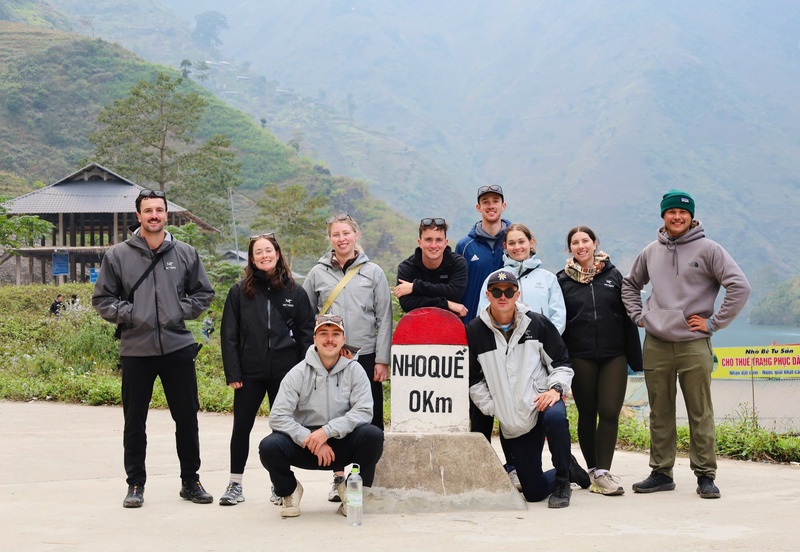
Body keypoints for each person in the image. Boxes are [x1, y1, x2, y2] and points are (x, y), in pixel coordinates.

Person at [622, 190, 750, 499]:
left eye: (683, 212)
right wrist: (639, 316)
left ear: (691, 216)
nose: (677, 216)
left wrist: (713, 322)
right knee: (659, 411)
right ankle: (661, 472)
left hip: (694, 343)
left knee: (699, 411)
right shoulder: (651, 251)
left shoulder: (709, 249)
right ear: (663, 216)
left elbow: (739, 286)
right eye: (671, 212)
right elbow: (630, 284)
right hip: (656, 342)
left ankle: (705, 475)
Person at [92, 189, 215, 509]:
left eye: (159, 210)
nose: (154, 215)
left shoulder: (186, 253)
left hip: (177, 346)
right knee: (135, 420)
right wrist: (133, 314)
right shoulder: (118, 255)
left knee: (187, 417)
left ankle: (191, 480)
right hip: (136, 348)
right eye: (148, 210)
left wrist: (178, 311)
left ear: (166, 214)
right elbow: (102, 300)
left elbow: (204, 293)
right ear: (139, 216)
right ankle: (135, 484)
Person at [467, 269, 586, 508]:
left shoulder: (537, 323)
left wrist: (555, 390)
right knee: (532, 492)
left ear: (517, 294)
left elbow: (562, 363)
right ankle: (569, 467)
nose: (503, 296)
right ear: (488, 295)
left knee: (555, 416)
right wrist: (494, 407)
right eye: (497, 292)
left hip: (541, 400)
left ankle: (563, 481)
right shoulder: (475, 331)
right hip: (514, 418)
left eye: (509, 291)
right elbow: (473, 380)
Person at [218, 233, 315, 506]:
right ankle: (235, 484)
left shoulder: (295, 291)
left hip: (286, 374)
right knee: (241, 428)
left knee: (282, 430)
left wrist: (303, 372)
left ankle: (280, 485)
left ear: (277, 253)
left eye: (268, 250)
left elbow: (307, 335)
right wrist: (233, 373)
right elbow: (229, 335)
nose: (264, 255)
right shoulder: (239, 292)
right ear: (252, 258)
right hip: (249, 372)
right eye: (258, 252)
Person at [302, 212, 392, 502]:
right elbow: (305, 316)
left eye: (346, 233)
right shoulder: (317, 273)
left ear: (357, 236)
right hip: (329, 357)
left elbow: (384, 318)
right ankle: (338, 478)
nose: (341, 239)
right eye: (336, 234)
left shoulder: (373, 272)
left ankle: (363, 480)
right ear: (329, 239)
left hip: (364, 356)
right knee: (334, 414)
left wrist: (382, 359)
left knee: (369, 419)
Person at [258, 313, 385, 518]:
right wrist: (311, 439)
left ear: (343, 339)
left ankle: (351, 491)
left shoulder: (356, 371)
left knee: (373, 435)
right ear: (314, 338)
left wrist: (326, 432)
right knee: (270, 446)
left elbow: (363, 411)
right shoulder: (298, 373)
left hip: (341, 442)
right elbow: (278, 416)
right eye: (323, 333)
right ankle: (289, 491)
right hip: (305, 445)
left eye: (336, 334)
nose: (329, 339)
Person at [557, 225, 643, 496]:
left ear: (595, 244)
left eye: (585, 241)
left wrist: (635, 357)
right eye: (575, 242)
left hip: (614, 354)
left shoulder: (614, 275)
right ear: (569, 248)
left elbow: (628, 317)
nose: (581, 246)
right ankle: (594, 470)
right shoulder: (561, 280)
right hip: (580, 355)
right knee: (587, 413)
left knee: (609, 411)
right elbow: (558, 322)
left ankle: (604, 471)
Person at [456, 185, 512, 445]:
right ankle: (481, 463)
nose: (491, 205)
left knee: (511, 401)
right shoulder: (465, 246)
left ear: (504, 206)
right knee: (479, 401)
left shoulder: (513, 240)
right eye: (485, 202)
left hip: (510, 334)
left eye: (496, 201)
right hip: (475, 333)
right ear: (478, 208)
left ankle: (514, 466)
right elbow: (458, 287)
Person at [477, 223, 566, 334]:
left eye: (521, 242)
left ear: (531, 242)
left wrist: (547, 341)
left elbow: (558, 316)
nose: (517, 247)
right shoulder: (493, 279)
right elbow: (484, 314)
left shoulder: (548, 278)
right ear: (505, 246)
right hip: (503, 345)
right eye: (512, 243)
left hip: (540, 345)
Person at [394, 217, 468, 317]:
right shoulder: (406, 268)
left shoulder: (457, 264)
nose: (433, 245)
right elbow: (407, 304)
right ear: (419, 242)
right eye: (428, 240)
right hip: (417, 327)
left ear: (446, 243)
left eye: (439, 240)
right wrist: (447, 304)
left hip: (451, 326)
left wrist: (415, 287)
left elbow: (454, 293)